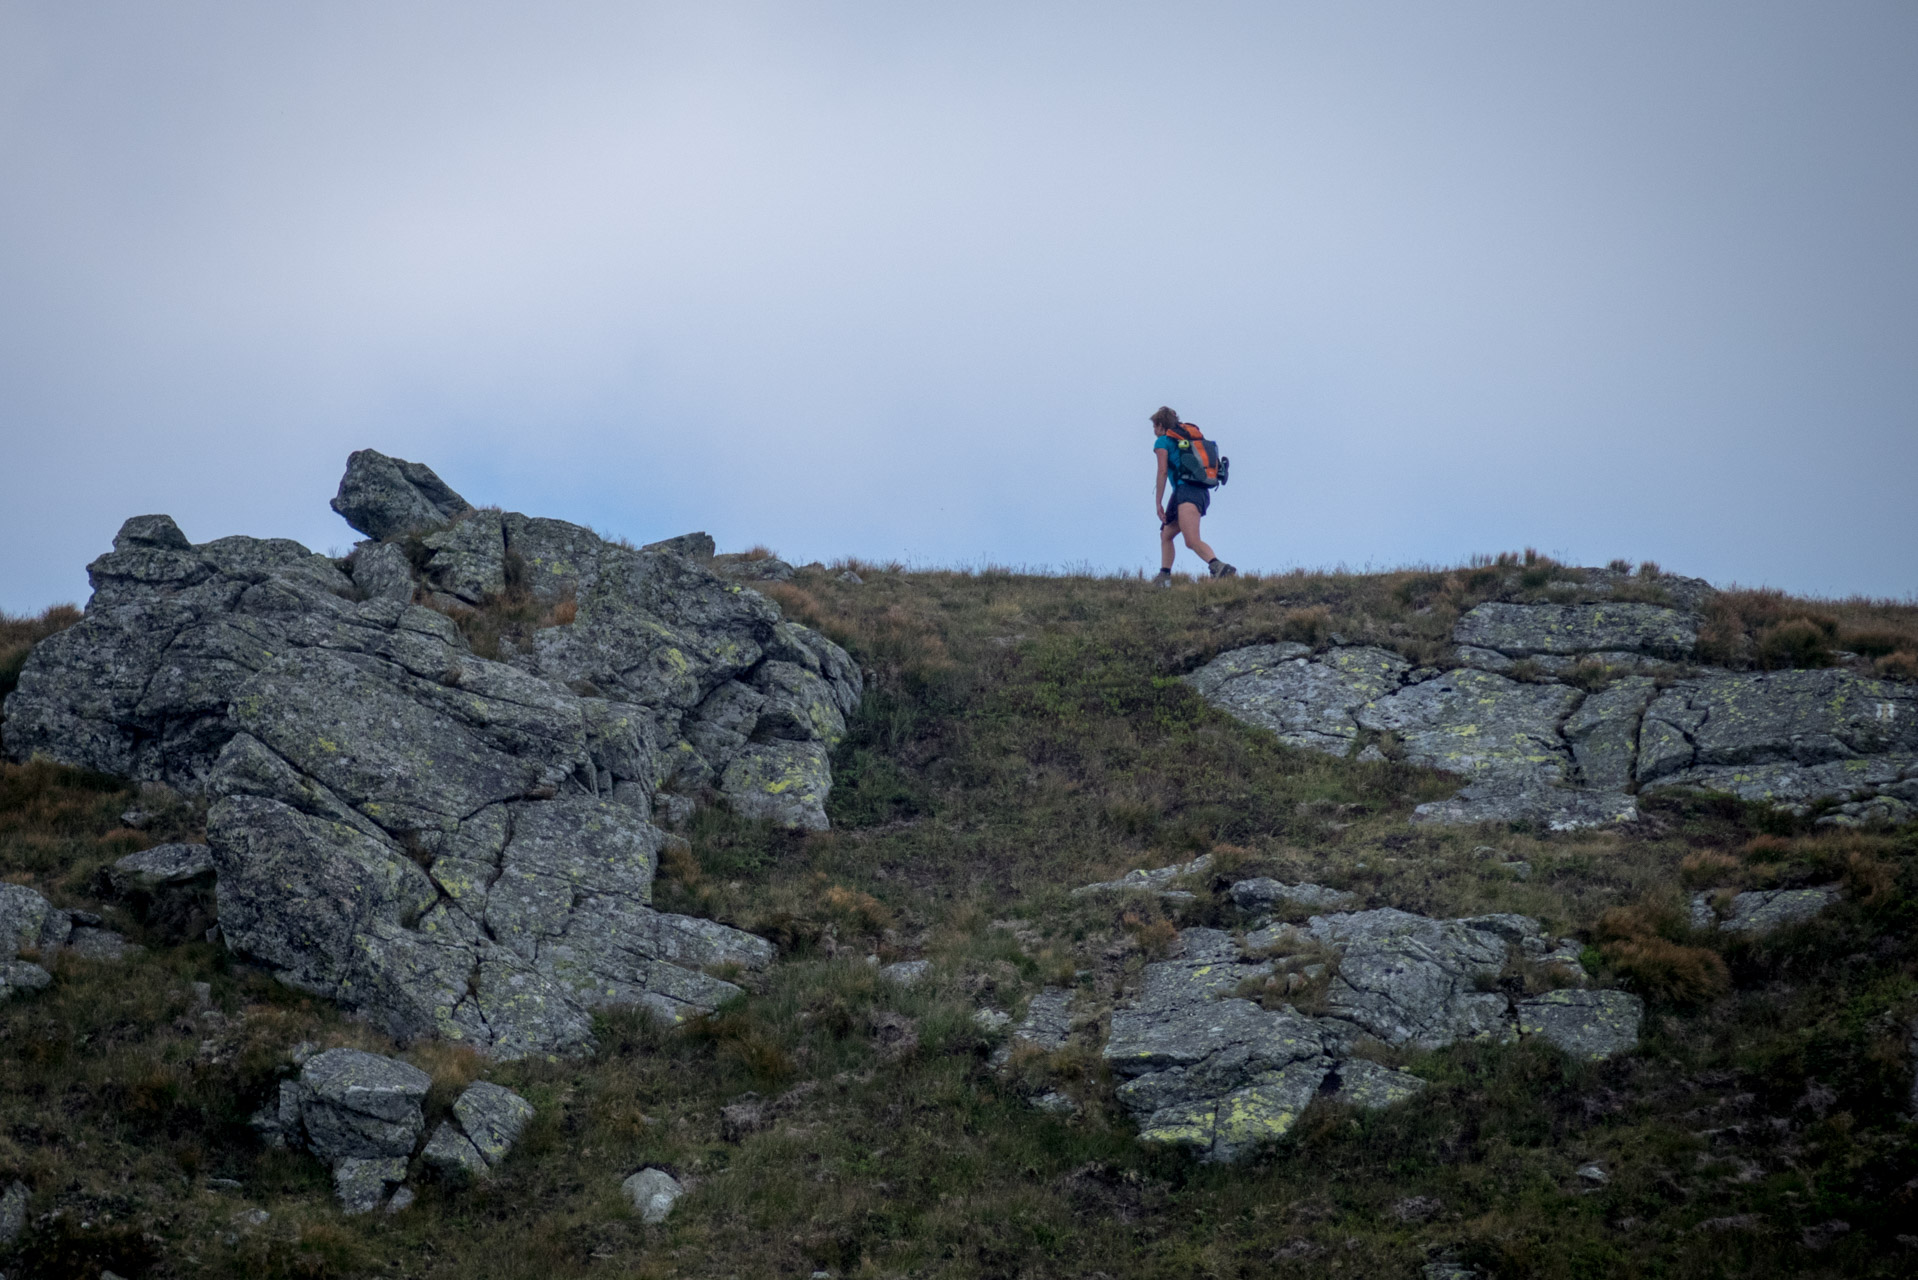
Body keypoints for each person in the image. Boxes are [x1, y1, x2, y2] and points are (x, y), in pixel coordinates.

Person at [1151, 406, 1235, 584]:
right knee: (1166, 534)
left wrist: (1158, 502)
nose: (1153, 431)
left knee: (1191, 540)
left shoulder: (1162, 442)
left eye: (1154, 426)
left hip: (1186, 493)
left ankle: (1219, 567)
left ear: (1159, 425)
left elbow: (1162, 472)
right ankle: (1164, 577)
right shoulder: (1187, 440)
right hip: (1199, 492)